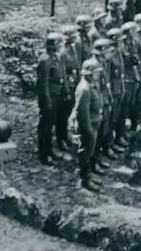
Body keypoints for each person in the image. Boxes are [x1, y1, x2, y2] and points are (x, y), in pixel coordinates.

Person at [71, 58, 105, 191]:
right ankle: (85, 180)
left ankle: (89, 175)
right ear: (89, 73)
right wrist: (88, 131)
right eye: (96, 72)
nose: (99, 74)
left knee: (90, 152)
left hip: (94, 123)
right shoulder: (84, 89)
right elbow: (82, 114)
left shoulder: (91, 84)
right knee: (85, 153)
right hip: (87, 126)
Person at [35, 32, 66, 165]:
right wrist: (47, 101)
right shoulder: (45, 60)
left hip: (56, 95)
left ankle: (49, 150)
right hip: (48, 97)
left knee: (52, 124)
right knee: (46, 127)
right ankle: (44, 154)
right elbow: (44, 84)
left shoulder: (56, 56)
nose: (61, 45)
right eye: (60, 43)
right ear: (54, 45)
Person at [91, 38, 116, 171]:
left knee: (103, 131)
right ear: (102, 52)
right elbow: (95, 89)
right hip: (98, 104)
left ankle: (99, 156)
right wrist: (101, 105)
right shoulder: (94, 66)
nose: (110, 53)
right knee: (96, 134)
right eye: (108, 51)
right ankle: (93, 163)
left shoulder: (103, 63)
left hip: (105, 101)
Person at [57, 24, 82, 156]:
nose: (75, 38)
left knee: (68, 113)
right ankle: (61, 139)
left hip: (74, 83)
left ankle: (66, 136)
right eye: (73, 36)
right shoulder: (62, 52)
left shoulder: (73, 48)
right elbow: (62, 74)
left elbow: (77, 66)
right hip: (66, 86)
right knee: (62, 114)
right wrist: (66, 90)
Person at [106, 27, 131, 154]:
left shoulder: (119, 52)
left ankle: (119, 137)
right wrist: (110, 94)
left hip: (120, 88)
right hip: (113, 91)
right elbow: (107, 78)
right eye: (121, 40)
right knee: (112, 119)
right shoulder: (109, 56)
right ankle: (109, 145)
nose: (123, 42)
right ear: (115, 41)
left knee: (121, 114)